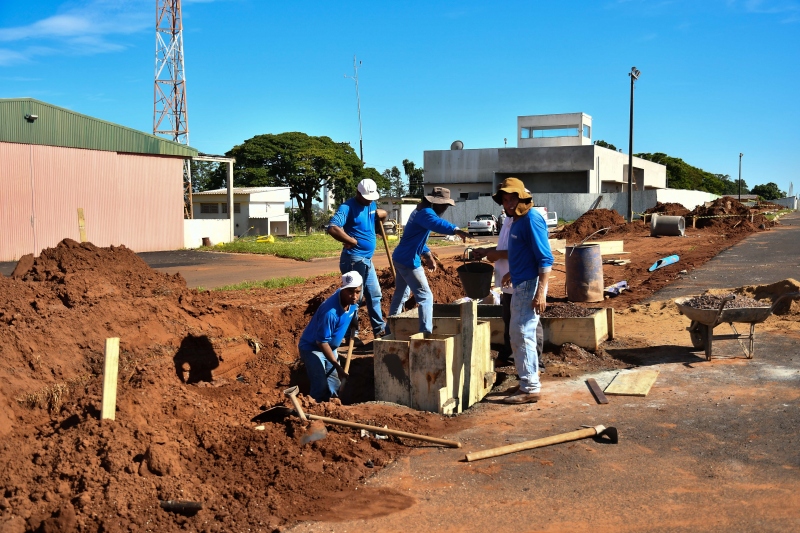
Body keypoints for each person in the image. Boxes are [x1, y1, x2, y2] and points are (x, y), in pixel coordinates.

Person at [496, 177, 553, 404]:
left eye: (512, 199)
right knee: (518, 334)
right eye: (504, 200)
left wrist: (541, 293)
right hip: (521, 281)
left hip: (530, 285)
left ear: (522, 197)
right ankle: (526, 382)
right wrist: (514, 272)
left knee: (522, 334)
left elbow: (545, 258)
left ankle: (529, 388)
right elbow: (524, 254)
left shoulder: (531, 219)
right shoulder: (517, 220)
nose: (508, 204)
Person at [388, 187, 470, 334]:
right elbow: (437, 224)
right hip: (408, 261)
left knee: (401, 294)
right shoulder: (426, 213)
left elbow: (418, 239)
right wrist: (456, 229)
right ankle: (426, 333)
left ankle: (390, 330)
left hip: (400, 257)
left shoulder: (419, 211)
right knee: (426, 297)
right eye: (443, 204)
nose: (445, 208)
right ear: (434, 202)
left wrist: (428, 255)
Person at [472, 201, 544, 366]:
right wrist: (487, 251)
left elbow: (528, 253)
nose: (509, 207)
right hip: (509, 280)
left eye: (513, 202)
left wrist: (496, 255)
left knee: (529, 322)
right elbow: (505, 247)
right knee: (509, 318)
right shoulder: (508, 221)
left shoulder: (528, 221)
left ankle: (537, 361)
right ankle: (509, 354)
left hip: (524, 279)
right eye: (506, 203)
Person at [327, 178, 388, 340]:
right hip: (353, 260)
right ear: (357, 193)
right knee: (354, 297)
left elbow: (380, 214)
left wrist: (383, 215)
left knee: (374, 295)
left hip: (367, 260)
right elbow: (332, 227)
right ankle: (348, 334)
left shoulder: (371, 204)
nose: (369, 200)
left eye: (372, 198)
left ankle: (379, 331)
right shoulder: (347, 207)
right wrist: (350, 240)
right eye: (367, 197)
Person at [298, 271, 362, 402]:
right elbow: (321, 342)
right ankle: (317, 411)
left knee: (335, 385)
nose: (354, 296)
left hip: (330, 347)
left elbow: (353, 310)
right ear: (342, 288)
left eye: (357, 291)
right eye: (350, 291)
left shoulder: (353, 299)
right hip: (312, 348)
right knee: (320, 386)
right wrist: (338, 367)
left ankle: (334, 408)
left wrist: (354, 321)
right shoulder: (330, 313)